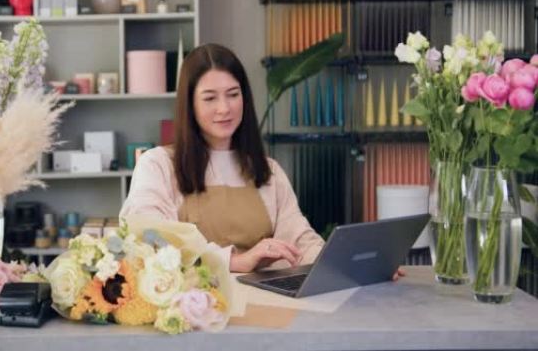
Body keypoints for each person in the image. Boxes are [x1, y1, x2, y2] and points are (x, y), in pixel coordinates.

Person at [120, 43, 404, 280]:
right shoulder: (157, 165)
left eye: (233, 94)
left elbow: (300, 242)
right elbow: (149, 238)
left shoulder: (268, 171)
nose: (224, 108)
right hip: (191, 309)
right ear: (189, 106)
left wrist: (360, 266)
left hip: (265, 306)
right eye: (209, 98)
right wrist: (234, 260)